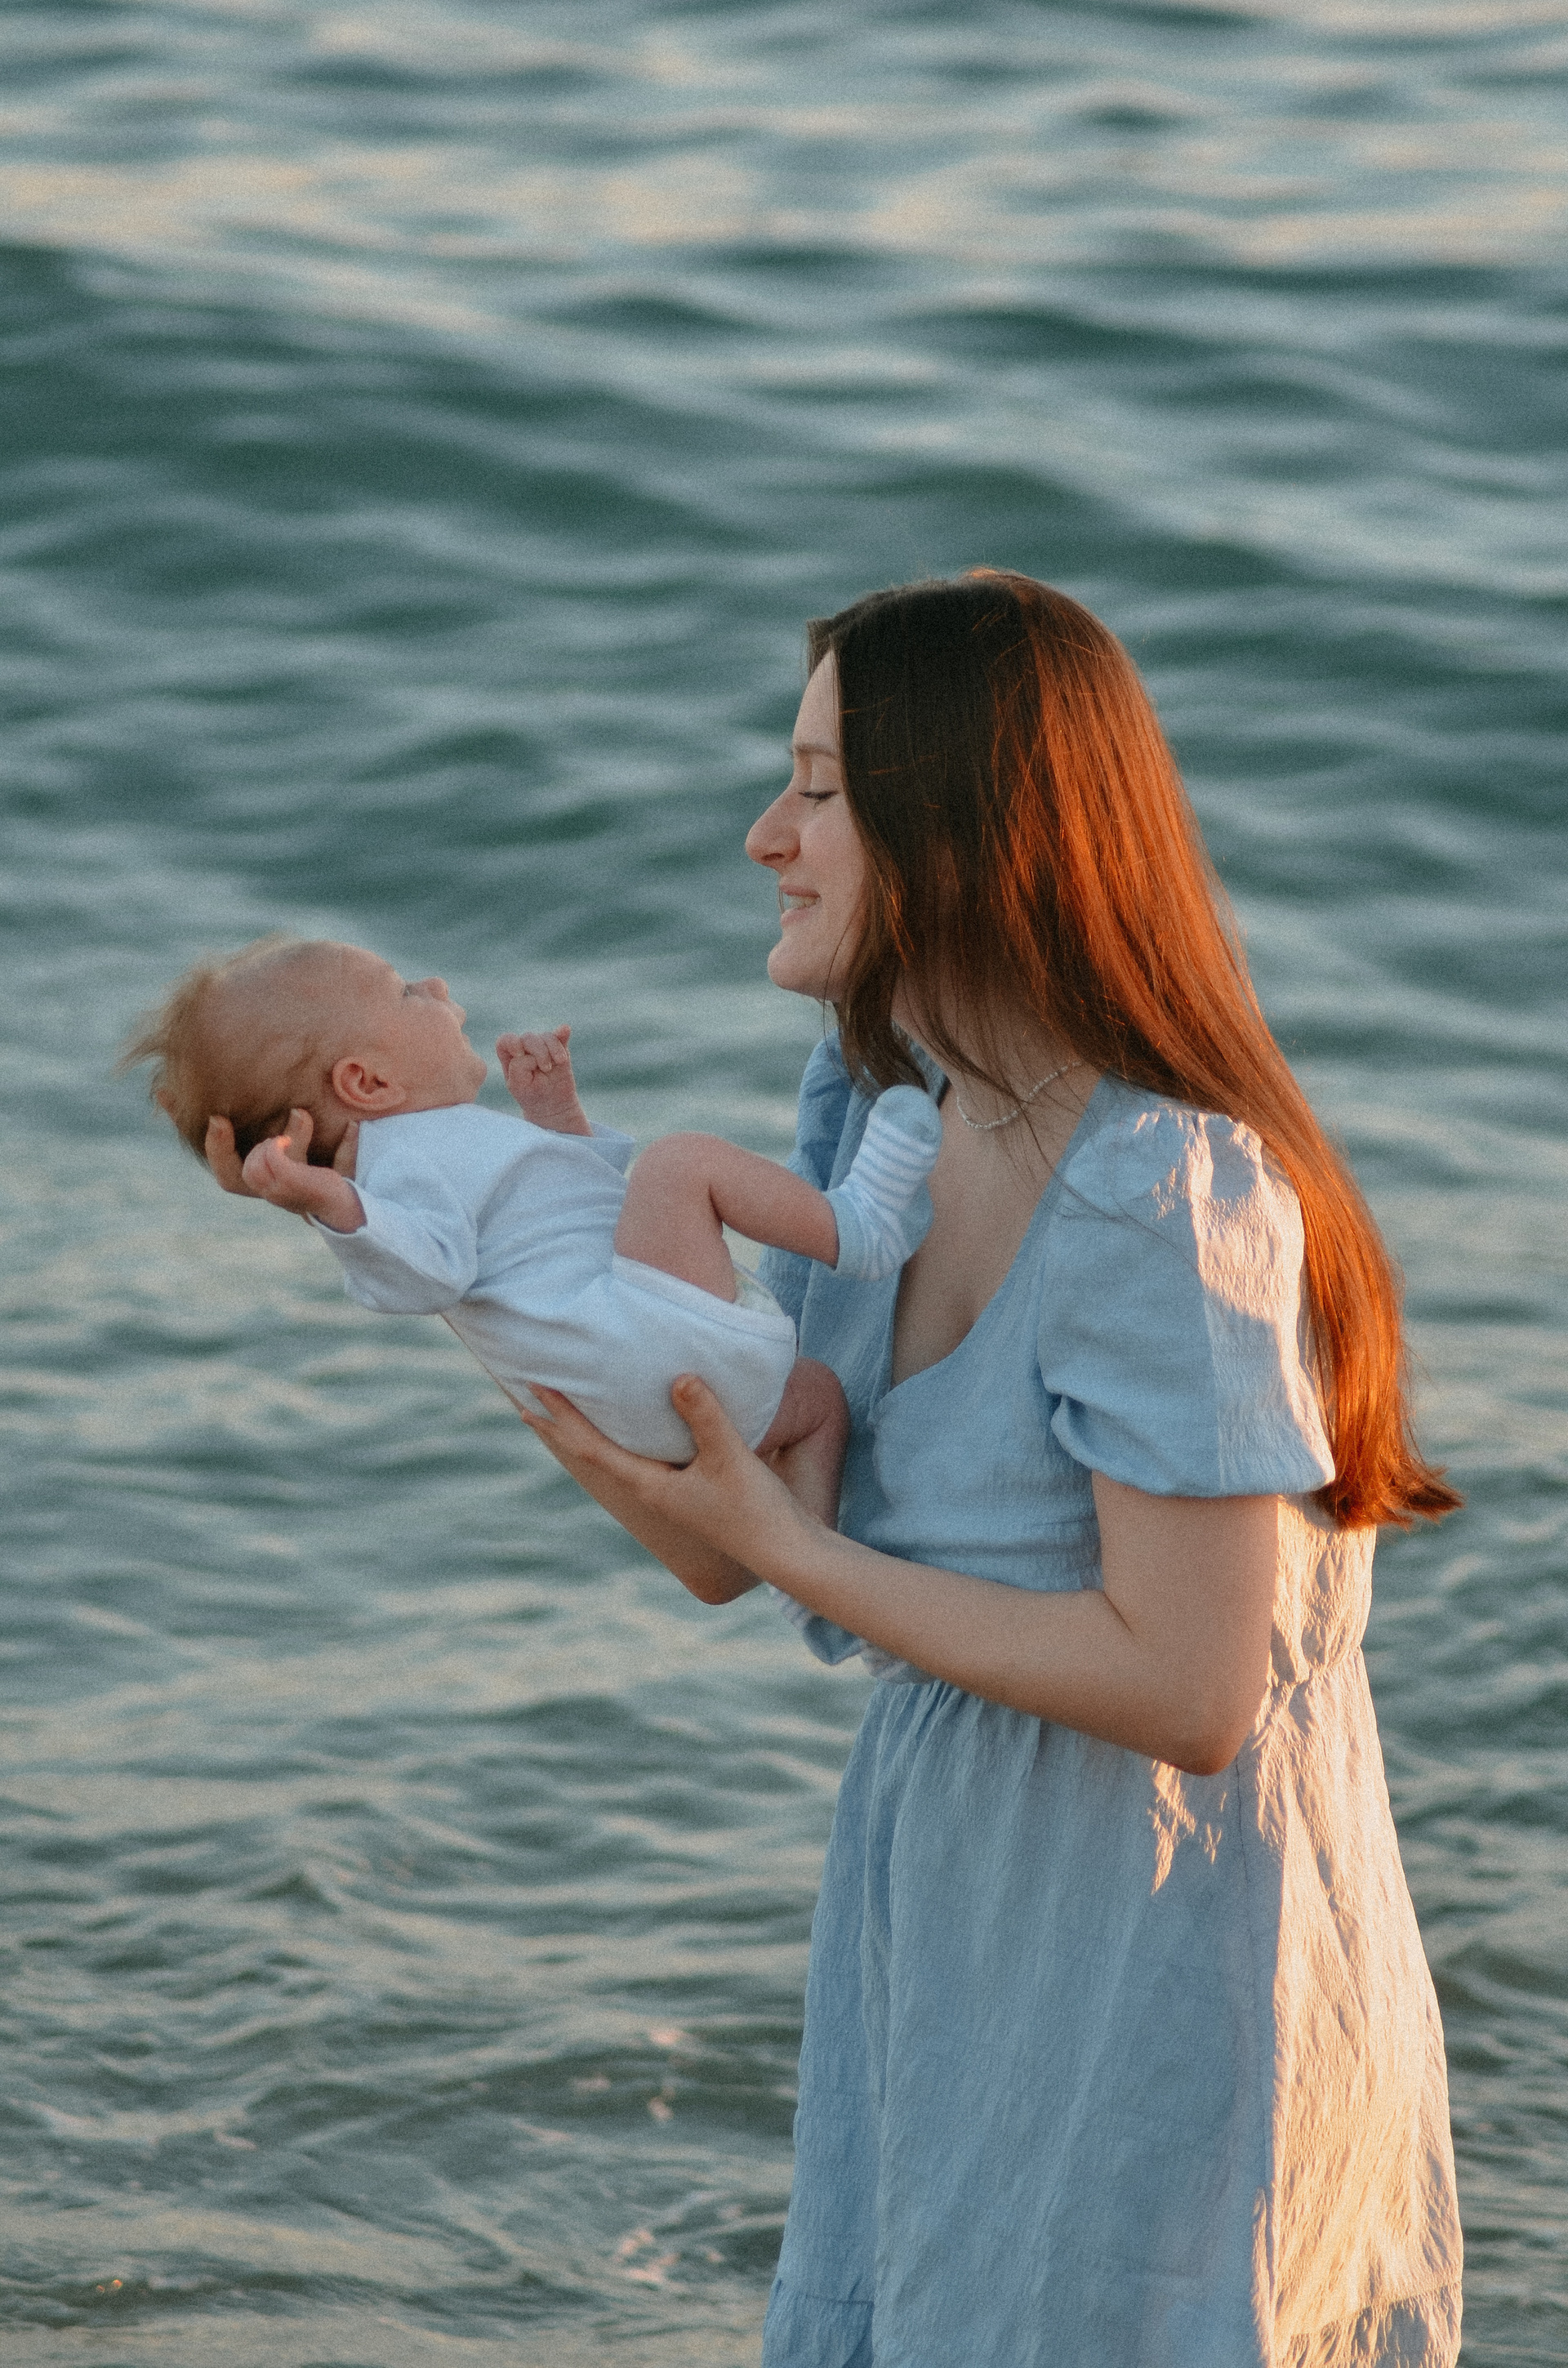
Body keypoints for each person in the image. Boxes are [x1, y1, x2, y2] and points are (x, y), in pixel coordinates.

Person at [519, 573, 1466, 2367]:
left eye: (818, 788)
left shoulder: (1158, 1192)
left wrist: (789, 1551)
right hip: (956, 1915)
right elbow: (735, 1530)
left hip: (1161, 1948)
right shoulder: (881, 1116)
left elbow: (1190, 1686)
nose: (766, 833)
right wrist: (441, 1257)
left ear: (956, 829)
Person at [122, 934, 942, 1487]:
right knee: (679, 1163)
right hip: (642, 1347)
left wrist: (557, 1117)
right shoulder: (398, 1167)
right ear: (367, 1083)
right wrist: (333, 1203)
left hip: (649, 1389)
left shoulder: (434, 1154)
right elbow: (431, 1275)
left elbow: (579, 1214)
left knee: (819, 1402)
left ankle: (815, 1576)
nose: (438, 988)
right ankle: (857, 1230)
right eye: (404, 991)